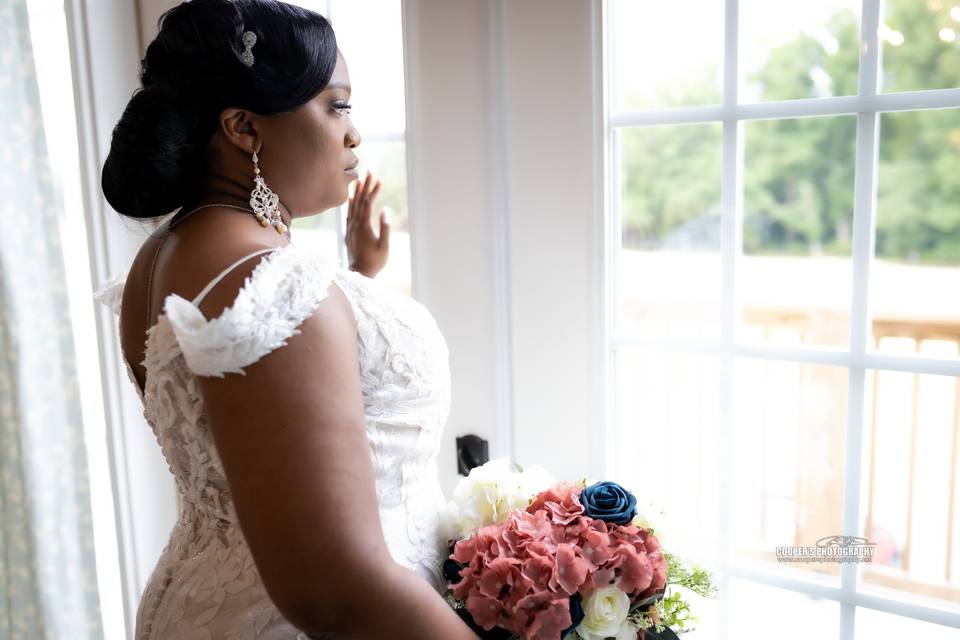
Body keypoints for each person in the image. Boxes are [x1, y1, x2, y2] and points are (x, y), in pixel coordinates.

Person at [92, 1, 480, 638]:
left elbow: (257, 423)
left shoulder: (166, 255)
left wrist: (356, 278)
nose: (352, 133)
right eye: (336, 105)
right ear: (244, 127)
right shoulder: (267, 285)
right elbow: (339, 591)